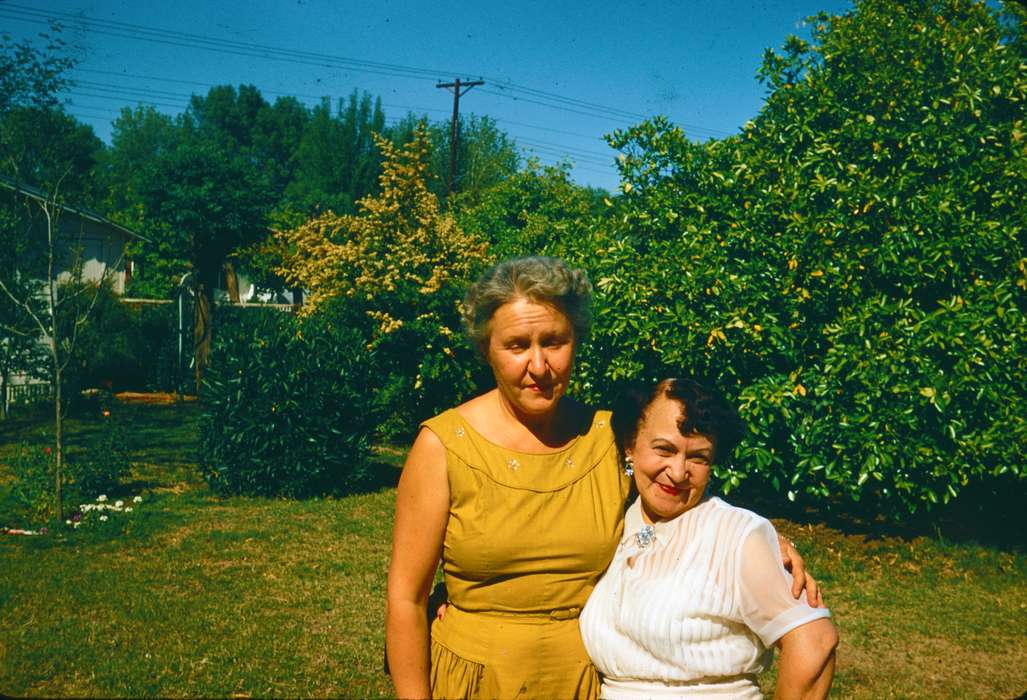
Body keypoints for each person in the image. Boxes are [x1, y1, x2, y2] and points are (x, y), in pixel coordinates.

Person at [386, 257, 819, 700]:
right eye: (516, 346)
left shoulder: (607, 438)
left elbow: (676, 491)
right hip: (473, 680)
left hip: (583, 683)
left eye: (554, 342)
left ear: (576, 341)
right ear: (486, 350)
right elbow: (406, 599)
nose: (539, 365)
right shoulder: (443, 446)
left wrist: (767, 544)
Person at [580, 378, 837, 700]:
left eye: (698, 457)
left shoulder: (738, 533)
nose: (677, 472)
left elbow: (815, 642)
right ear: (630, 445)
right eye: (664, 449)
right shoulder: (616, 523)